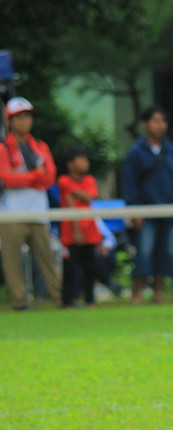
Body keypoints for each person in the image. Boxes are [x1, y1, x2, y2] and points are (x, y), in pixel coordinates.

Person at [0, 97, 62, 311]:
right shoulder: (3, 148)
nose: (24, 121)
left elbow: (50, 178)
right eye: (19, 117)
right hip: (11, 213)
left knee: (48, 258)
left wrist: (25, 176)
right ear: (9, 120)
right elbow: (7, 179)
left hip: (38, 212)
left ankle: (59, 298)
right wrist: (36, 175)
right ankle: (19, 301)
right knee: (12, 262)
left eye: (27, 117)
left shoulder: (40, 146)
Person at [122, 105, 173, 304]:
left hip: (169, 209)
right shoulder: (136, 152)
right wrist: (135, 210)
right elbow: (129, 182)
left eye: (163, 121)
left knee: (168, 252)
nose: (160, 126)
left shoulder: (172, 150)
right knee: (144, 251)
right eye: (155, 121)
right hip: (146, 209)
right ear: (144, 124)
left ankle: (159, 293)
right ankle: (138, 294)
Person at [57, 145, 101, 308]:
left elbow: (90, 197)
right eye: (81, 160)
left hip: (90, 230)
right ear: (70, 164)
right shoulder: (63, 180)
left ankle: (90, 300)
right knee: (70, 267)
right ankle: (67, 301)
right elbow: (70, 203)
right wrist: (77, 230)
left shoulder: (89, 179)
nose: (85, 163)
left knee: (90, 267)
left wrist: (77, 193)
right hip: (71, 232)